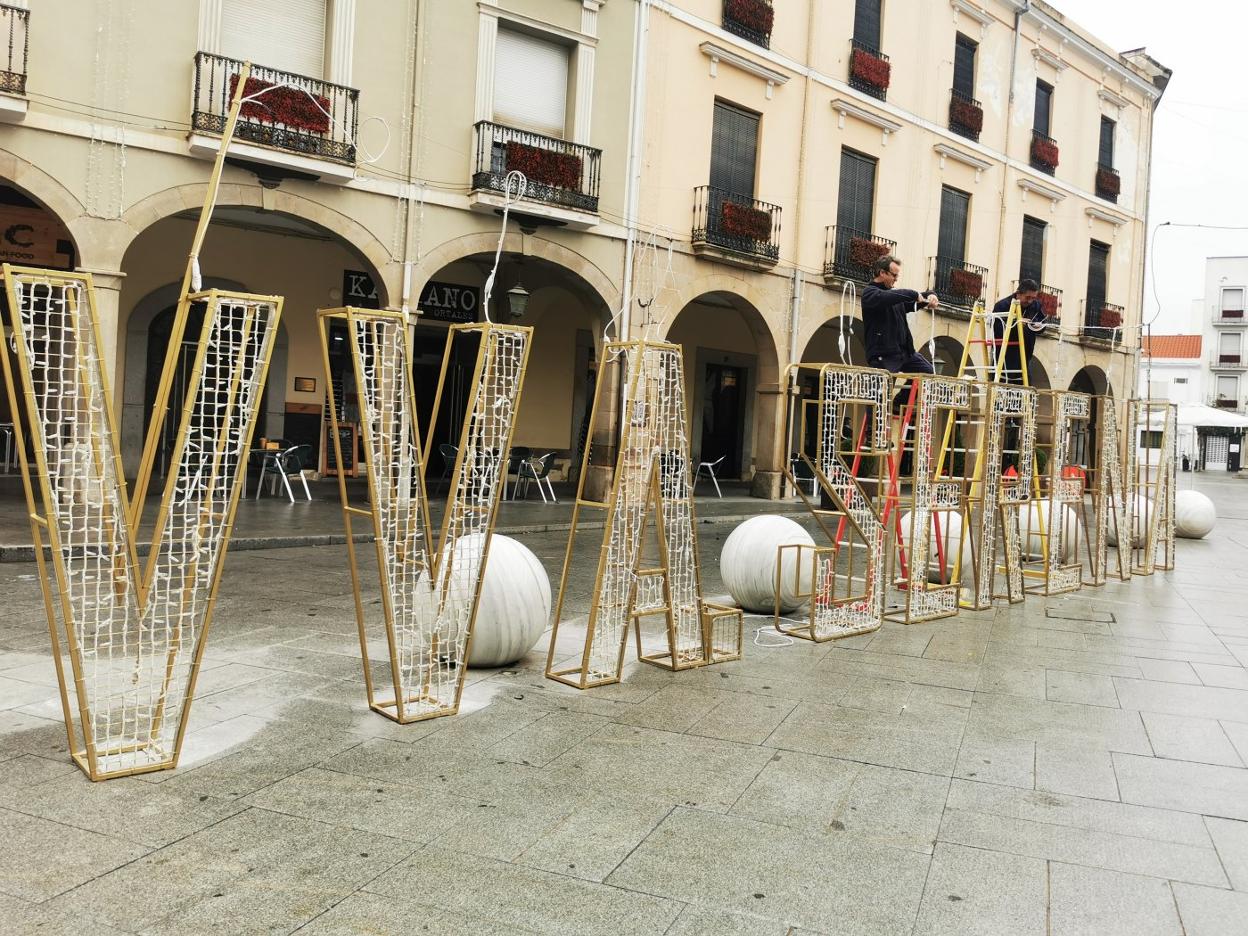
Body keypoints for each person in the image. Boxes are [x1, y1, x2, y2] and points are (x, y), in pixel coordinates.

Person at [862, 254, 939, 376]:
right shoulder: (870, 293)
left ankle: (902, 396)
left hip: (906, 353)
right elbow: (889, 297)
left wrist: (931, 295)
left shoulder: (895, 296)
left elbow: (909, 301)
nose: (896, 279)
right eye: (894, 275)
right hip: (884, 355)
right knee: (883, 391)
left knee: (927, 372)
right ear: (882, 273)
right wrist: (913, 294)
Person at [990, 279, 1048, 384]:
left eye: (1033, 298)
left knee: (1025, 392)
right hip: (1004, 356)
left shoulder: (1036, 306)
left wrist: (1036, 325)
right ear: (1018, 294)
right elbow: (996, 330)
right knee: (1000, 390)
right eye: (1027, 297)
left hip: (1025, 355)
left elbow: (1043, 324)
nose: (1030, 301)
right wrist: (1017, 323)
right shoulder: (1002, 306)